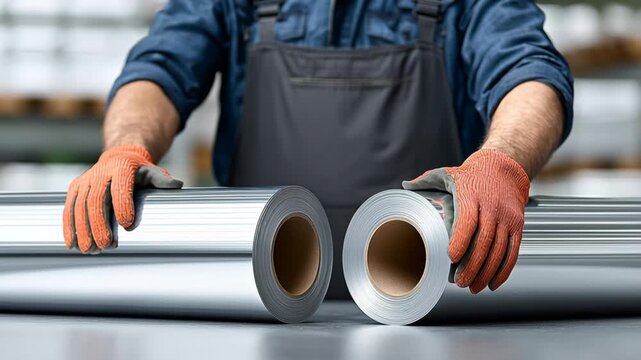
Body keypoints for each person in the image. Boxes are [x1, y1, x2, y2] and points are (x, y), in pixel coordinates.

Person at [62, 0, 573, 298]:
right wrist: (127, 146)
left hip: (429, 309)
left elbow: (528, 71)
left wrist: (502, 160)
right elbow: (160, 67)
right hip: (257, 310)